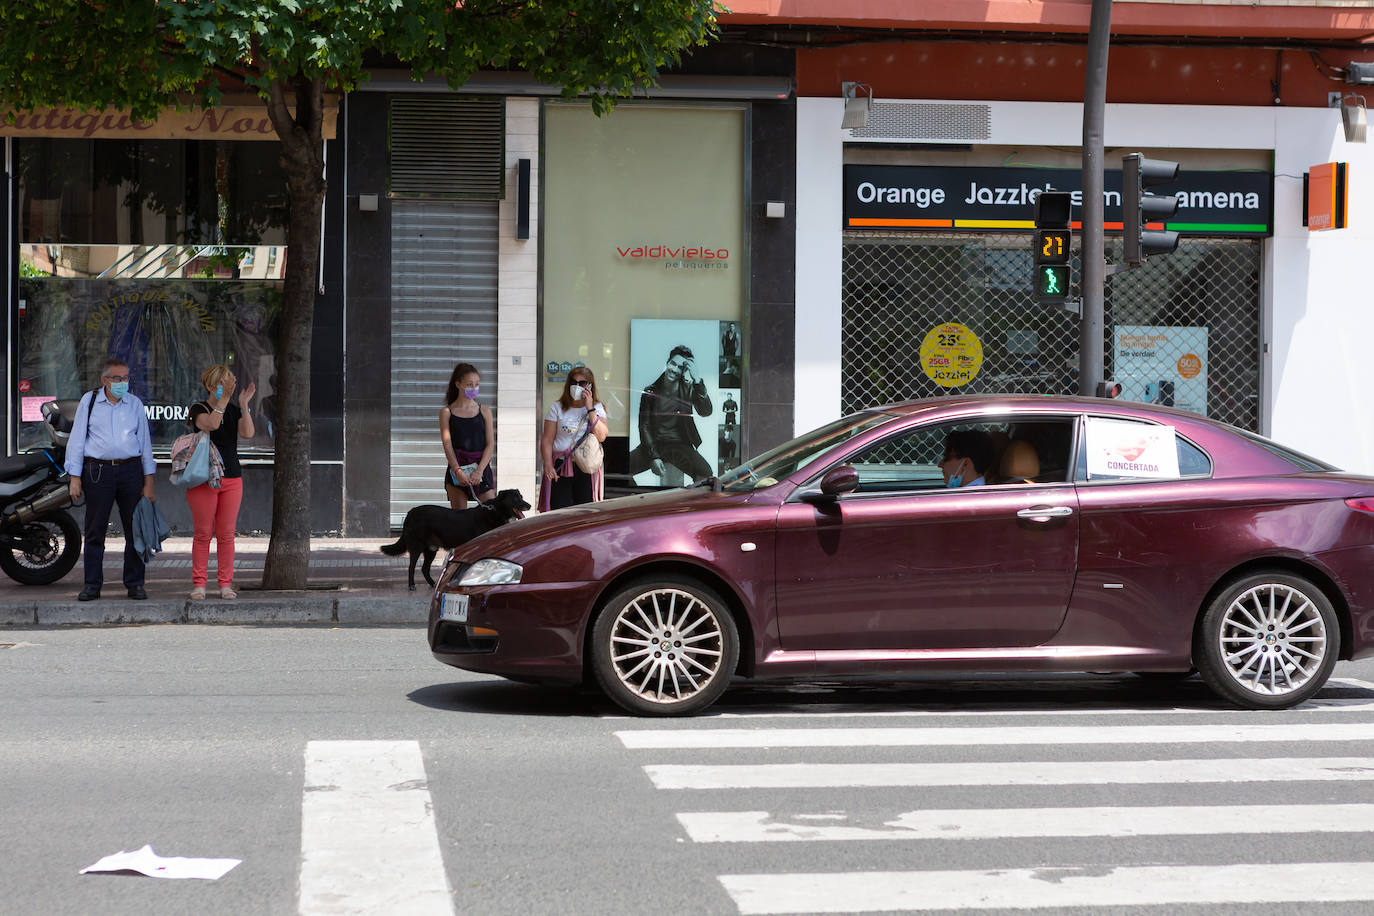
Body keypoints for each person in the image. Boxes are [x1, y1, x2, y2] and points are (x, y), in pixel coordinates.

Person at [65, 357, 157, 601]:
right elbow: (77, 440)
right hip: (98, 472)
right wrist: (75, 477)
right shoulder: (90, 401)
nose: (122, 383)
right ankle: (92, 585)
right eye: (117, 378)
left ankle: (135, 583)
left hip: (130, 471)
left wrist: (149, 482)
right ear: (104, 380)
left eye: (126, 378)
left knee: (134, 529)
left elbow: (145, 444)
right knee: (95, 530)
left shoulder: (134, 404)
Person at [185, 366, 256, 599]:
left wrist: (244, 405)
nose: (226, 388)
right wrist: (223, 399)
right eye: (221, 384)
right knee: (203, 533)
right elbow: (211, 425)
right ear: (209, 385)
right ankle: (199, 584)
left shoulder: (233, 409)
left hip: (232, 478)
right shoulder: (198, 408)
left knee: (227, 534)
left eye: (229, 384)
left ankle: (225, 584)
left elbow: (247, 433)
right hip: (203, 478)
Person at [628, 345, 714, 483]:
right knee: (621, 468)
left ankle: (689, 503)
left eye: (680, 367)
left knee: (706, 474)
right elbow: (644, 426)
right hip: (654, 444)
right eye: (673, 364)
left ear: (684, 370)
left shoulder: (689, 388)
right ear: (667, 363)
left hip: (680, 445)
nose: (674, 369)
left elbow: (706, 412)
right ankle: (642, 501)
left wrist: (697, 380)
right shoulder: (650, 391)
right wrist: (654, 456)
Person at [540, 369, 608, 510]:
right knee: (559, 509)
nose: (577, 386)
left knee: (584, 512)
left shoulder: (597, 407)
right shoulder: (557, 407)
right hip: (561, 464)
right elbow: (547, 439)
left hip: (585, 466)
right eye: (573, 382)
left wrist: (590, 408)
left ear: (589, 386)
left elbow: (601, 436)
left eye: (582, 383)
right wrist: (547, 464)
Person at [440, 362, 495, 510]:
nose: (474, 388)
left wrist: (479, 471)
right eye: (469, 384)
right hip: (457, 468)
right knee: (459, 521)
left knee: (492, 515)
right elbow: (447, 444)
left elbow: (490, 444)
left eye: (477, 384)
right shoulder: (447, 412)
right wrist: (457, 470)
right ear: (458, 384)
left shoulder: (484, 410)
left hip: (480, 467)